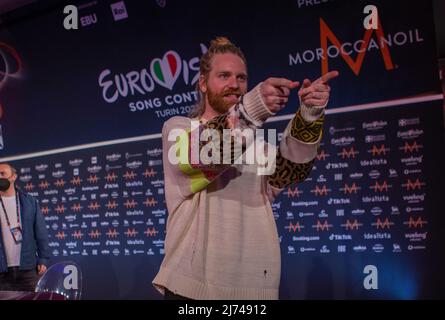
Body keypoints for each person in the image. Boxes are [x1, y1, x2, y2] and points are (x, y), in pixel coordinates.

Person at [153, 37, 338, 299]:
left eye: (241, 78)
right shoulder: (179, 128)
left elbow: (291, 171)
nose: (235, 84)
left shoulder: (256, 144)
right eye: (224, 75)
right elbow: (205, 153)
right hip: (191, 290)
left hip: (254, 291)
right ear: (203, 83)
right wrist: (253, 107)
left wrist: (309, 114)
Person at [0, 163, 50, 292]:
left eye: (2, 174)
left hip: (28, 269)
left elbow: (41, 232)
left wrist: (43, 259)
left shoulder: (29, 201)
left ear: (13, 177)